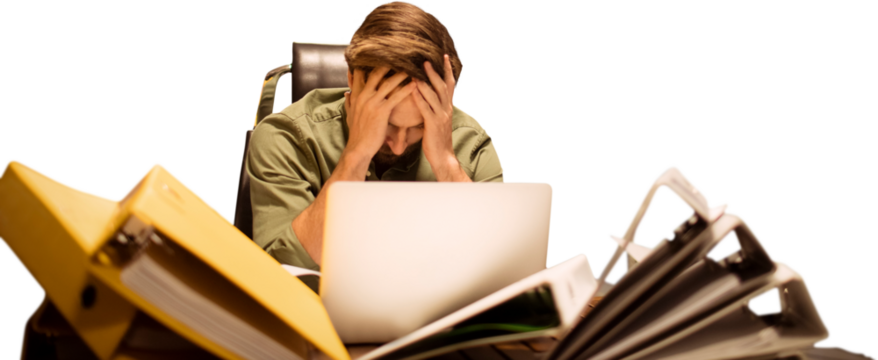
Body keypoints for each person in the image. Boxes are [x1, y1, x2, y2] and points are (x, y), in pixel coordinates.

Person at [246, 0, 506, 293]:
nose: (397, 146)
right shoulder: (287, 136)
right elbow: (279, 277)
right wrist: (356, 156)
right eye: (388, 125)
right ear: (352, 80)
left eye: (418, 127)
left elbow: (502, 274)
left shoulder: (471, 143)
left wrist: (446, 164)